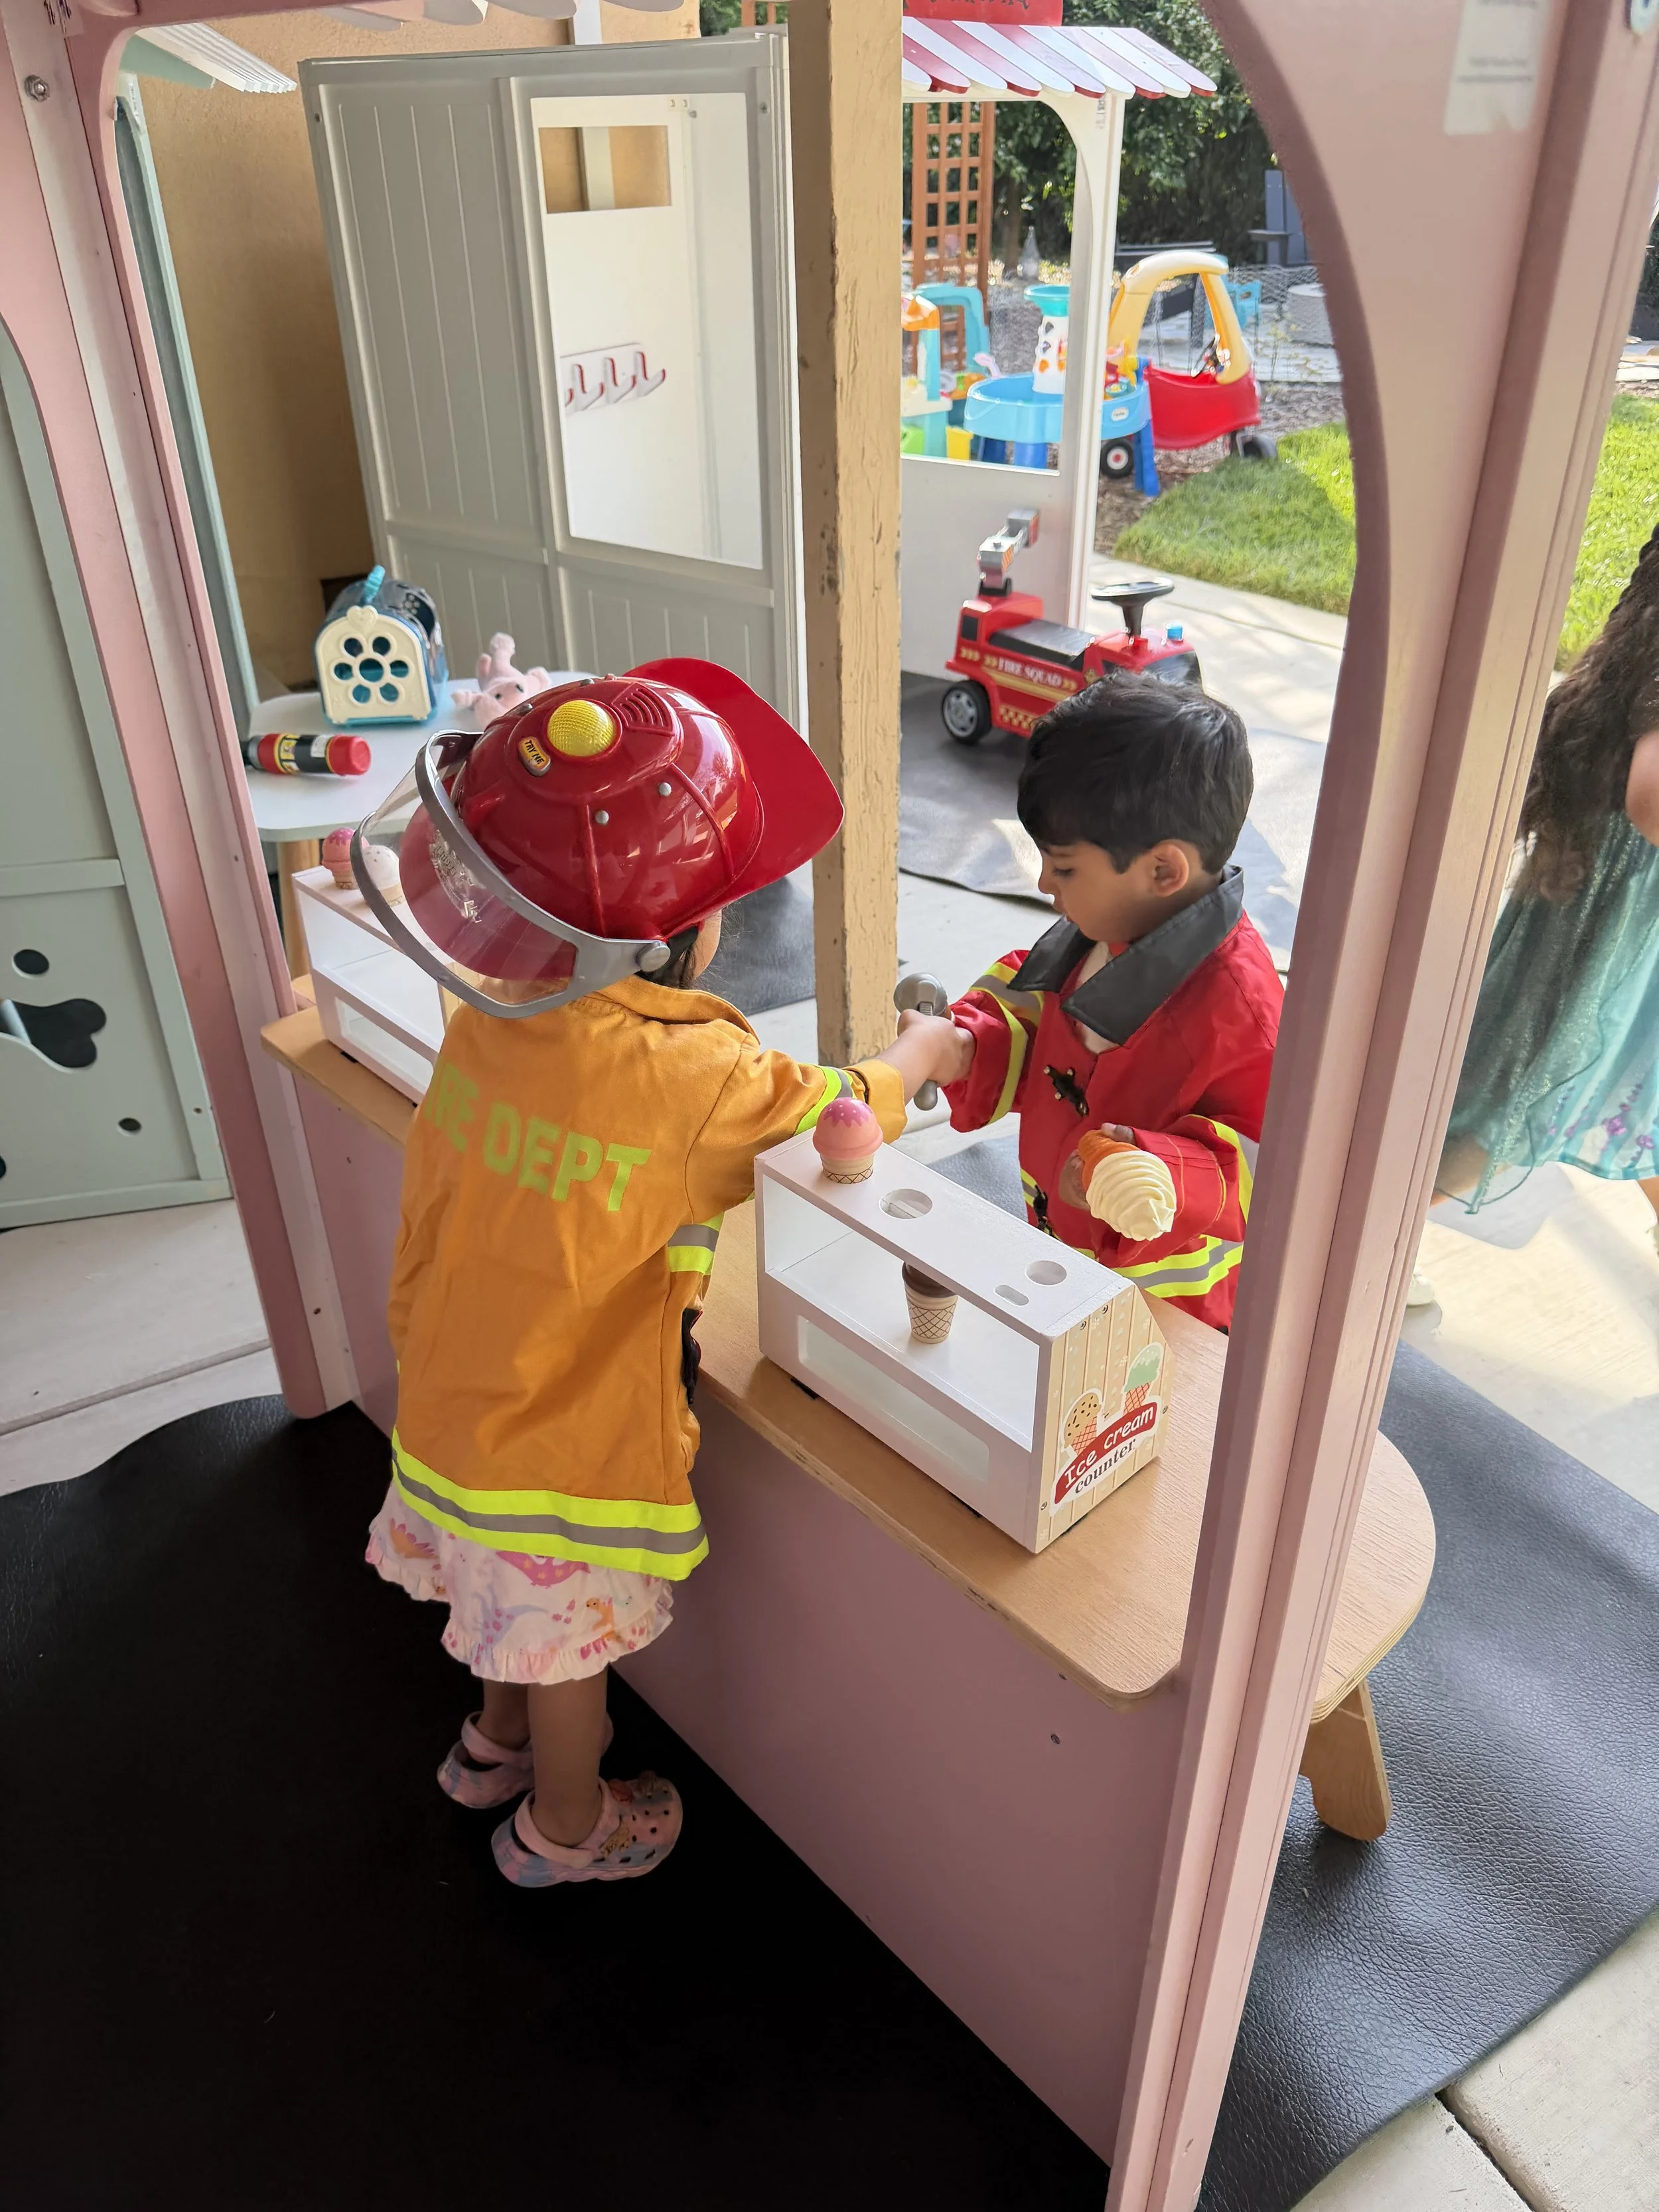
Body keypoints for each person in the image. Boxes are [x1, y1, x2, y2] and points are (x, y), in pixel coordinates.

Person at [358, 662, 970, 1887]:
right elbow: (842, 1118)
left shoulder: (492, 1013)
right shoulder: (700, 1085)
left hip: (452, 1399)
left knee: (506, 1610)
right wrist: (924, 1048)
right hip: (567, 1448)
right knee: (569, 1641)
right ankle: (568, 1830)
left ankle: (491, 1748)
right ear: (682, 936)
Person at [942, 675, 1282, 1330]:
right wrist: (963, 1046)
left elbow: (1271, 1175)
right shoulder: (1105, 928)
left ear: (1162, 871)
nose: (1043, 884)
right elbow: (1042, 1023)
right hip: (1063, 1254)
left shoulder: (1243, 1017)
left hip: (1165, 1309)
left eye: (1063, 868)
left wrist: (1160, 1174)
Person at [1421, 525, 1659, 1278]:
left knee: (1610, 1073)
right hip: (1620, 880)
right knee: (1515, 1083)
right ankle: (1342, 1256)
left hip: (1611, 861)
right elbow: (1652, 798)